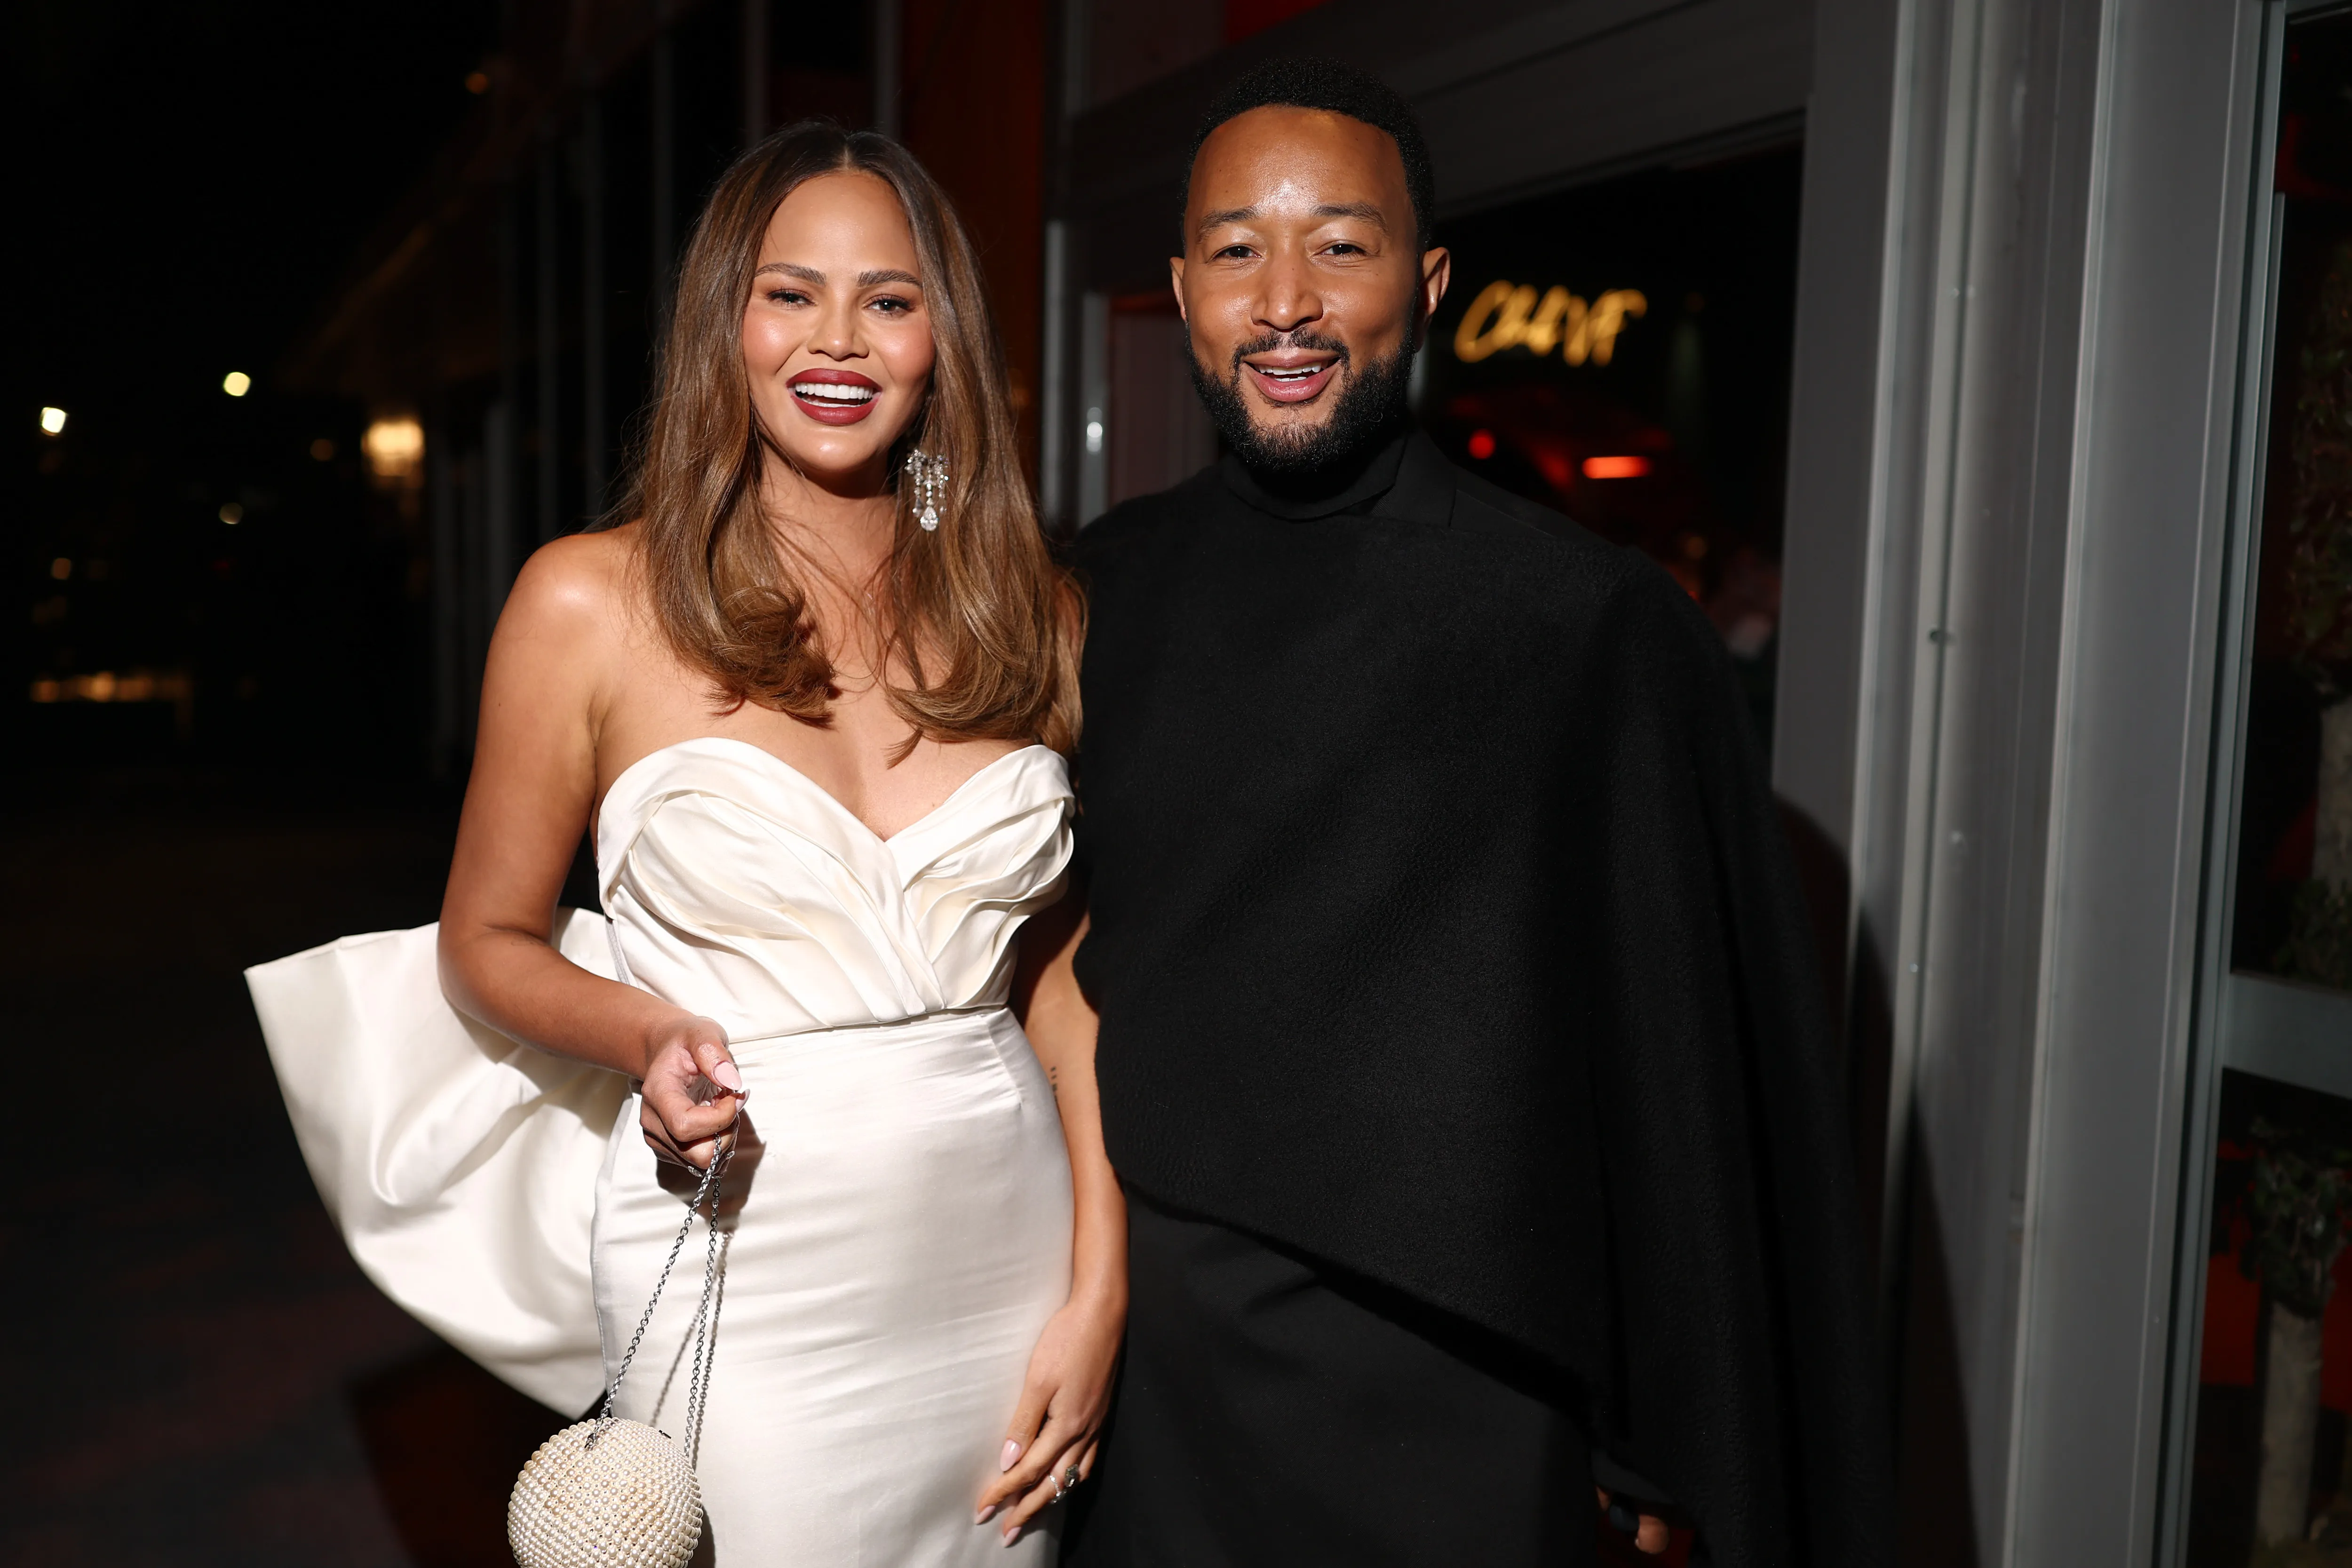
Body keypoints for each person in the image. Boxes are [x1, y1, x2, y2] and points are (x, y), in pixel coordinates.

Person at [1030, 61, 1889, 1568]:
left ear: (1426, 287)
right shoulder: (1093, 596)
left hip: (1465, 1405)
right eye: (1237, 251)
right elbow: (1043, 961)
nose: (1284, 301)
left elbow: (1672, 1052)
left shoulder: (1586, 623)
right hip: (1154, 1397)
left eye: (1339, 246)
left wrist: (1659, 1431)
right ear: (1181, 292)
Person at [262, 123, 1123, 1563]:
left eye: (889, 299)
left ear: (944, 345)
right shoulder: (588, 603)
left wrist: (1101, 1281)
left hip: (1006, 1252)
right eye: (791, 292)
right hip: (738, 1247)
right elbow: (484, 943)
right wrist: (645, 1031)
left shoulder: (1034, 613)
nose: (838, 338)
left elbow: (1063, 986)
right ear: (726, 321)